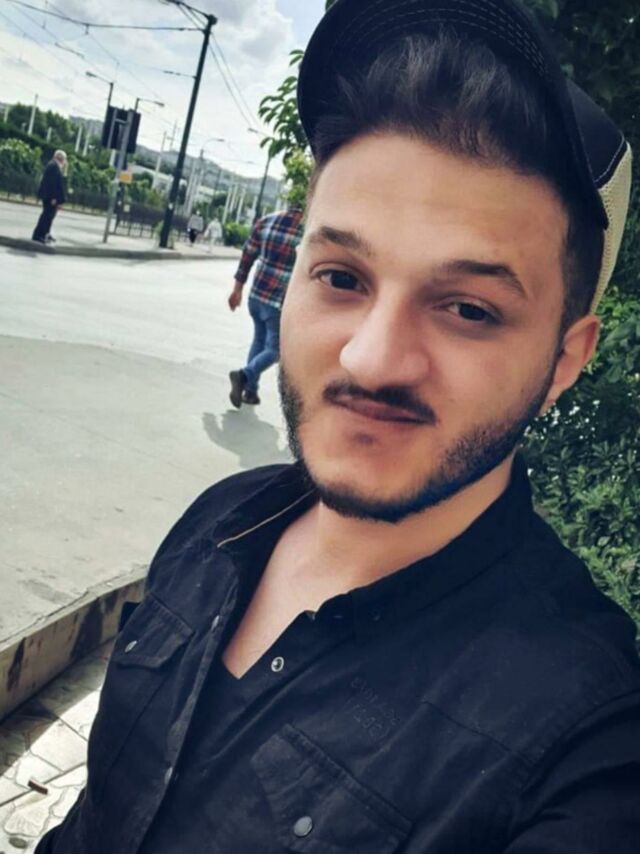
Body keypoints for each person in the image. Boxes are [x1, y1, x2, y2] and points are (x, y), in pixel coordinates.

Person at [37, 1, 639, 852]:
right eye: (343, 277)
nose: (370, 358)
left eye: (468, 308)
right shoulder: (219, 523)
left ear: (565, 361)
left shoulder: (587, 744)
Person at [227, 206, 304, 406]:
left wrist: (237, 289)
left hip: (256, 295)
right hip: (278, 300)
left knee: (259, 341)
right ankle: (244, 375)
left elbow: (247, 256)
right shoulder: (305, 229)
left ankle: (250, 392)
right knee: (276, 350)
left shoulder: (267, 220)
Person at [32, 149, 66, 244]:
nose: (65, 162)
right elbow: (52, 184)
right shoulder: (54, 166)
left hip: (49, 196)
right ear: (61, 158)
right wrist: (54, 198)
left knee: (49, 216)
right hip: (50, 197)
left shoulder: (54, 166)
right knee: (46, 216)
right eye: (64, 159)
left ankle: (45, 233)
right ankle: (39, 235)